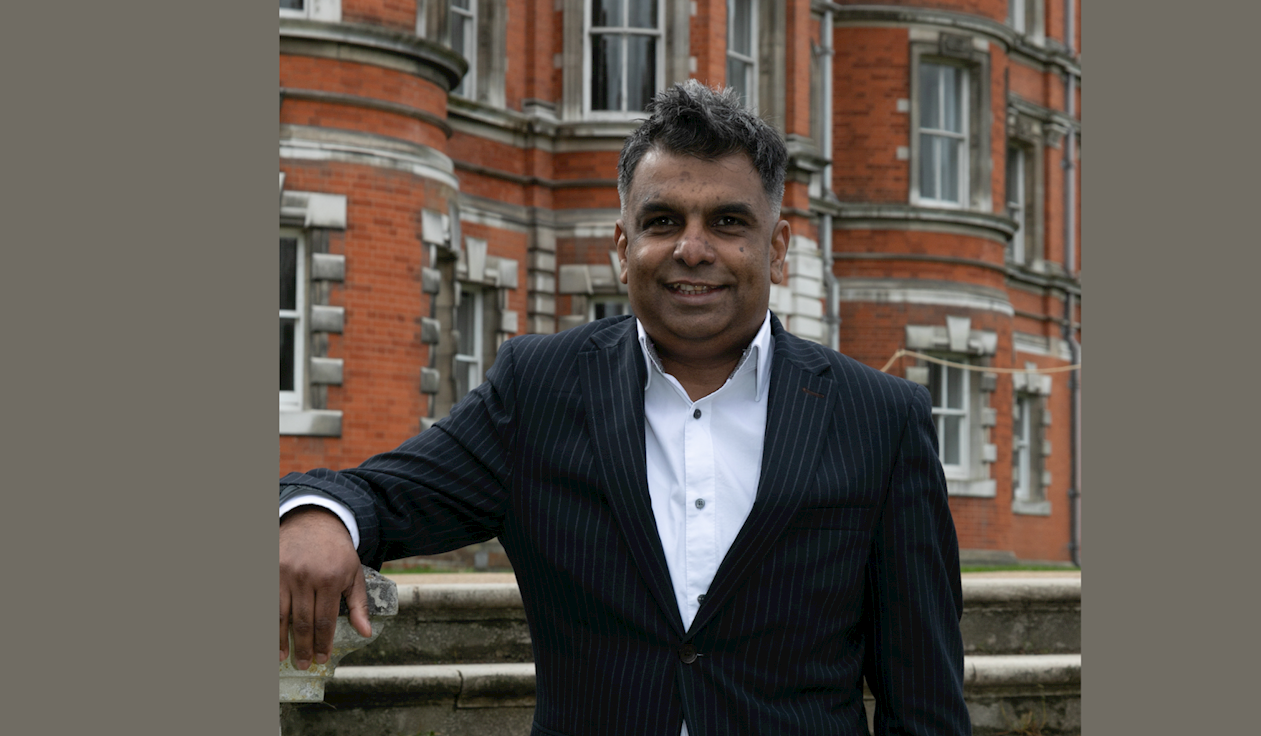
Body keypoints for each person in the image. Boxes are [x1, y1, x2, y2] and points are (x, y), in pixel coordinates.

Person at [279, 80, 971, 736]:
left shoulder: (881, 418)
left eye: (729, 222)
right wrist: (315, 517)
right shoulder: (540, 390)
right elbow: (375, 495)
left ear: (778, 247)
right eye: (663, 221)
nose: (693, 249)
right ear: (623, 246)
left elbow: (925, 703)